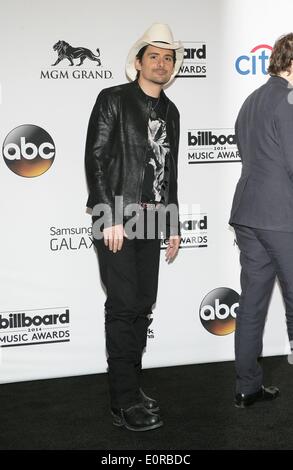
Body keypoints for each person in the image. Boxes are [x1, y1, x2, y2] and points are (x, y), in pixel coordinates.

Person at [85, 23, 183, 430]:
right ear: (138, 62)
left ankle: (131, 386)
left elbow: (171, 172)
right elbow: (96, 157)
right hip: (117, 217)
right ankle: (122, 400)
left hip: (154, 217)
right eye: (154, 56)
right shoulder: (113, 99)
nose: (161, 63)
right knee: (124, 308)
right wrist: (106, 213)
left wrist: (173, 223)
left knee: (142, 304)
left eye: (168, 57)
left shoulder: (172, 111)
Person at [229, 33, 293, 408]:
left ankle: (247, 386)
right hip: (280, 215)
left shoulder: (252, 99)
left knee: (252, 301)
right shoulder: (288, 100)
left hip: (249, 213)